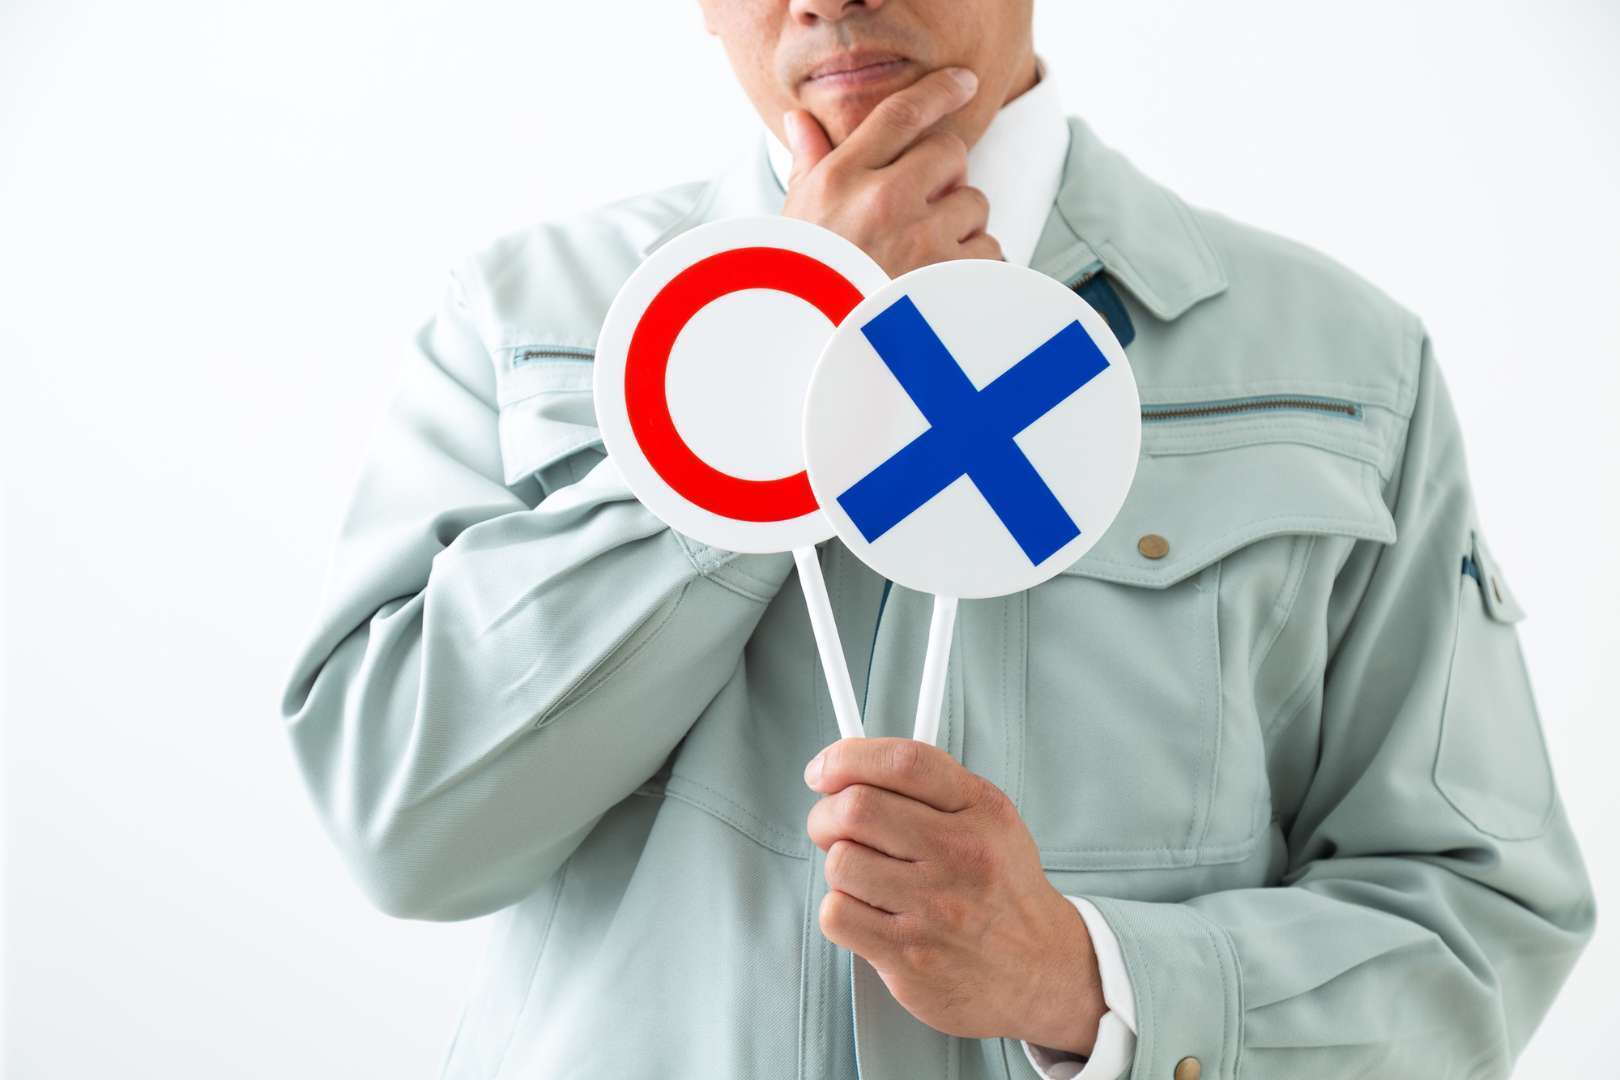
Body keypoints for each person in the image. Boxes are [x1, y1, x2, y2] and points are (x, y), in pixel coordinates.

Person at [276, 1, 1597, 1077]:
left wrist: (1088, 982)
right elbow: (408, 825)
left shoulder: (1338, 367)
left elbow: (1478, 926)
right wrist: (770, 373)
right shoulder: (530, 321)